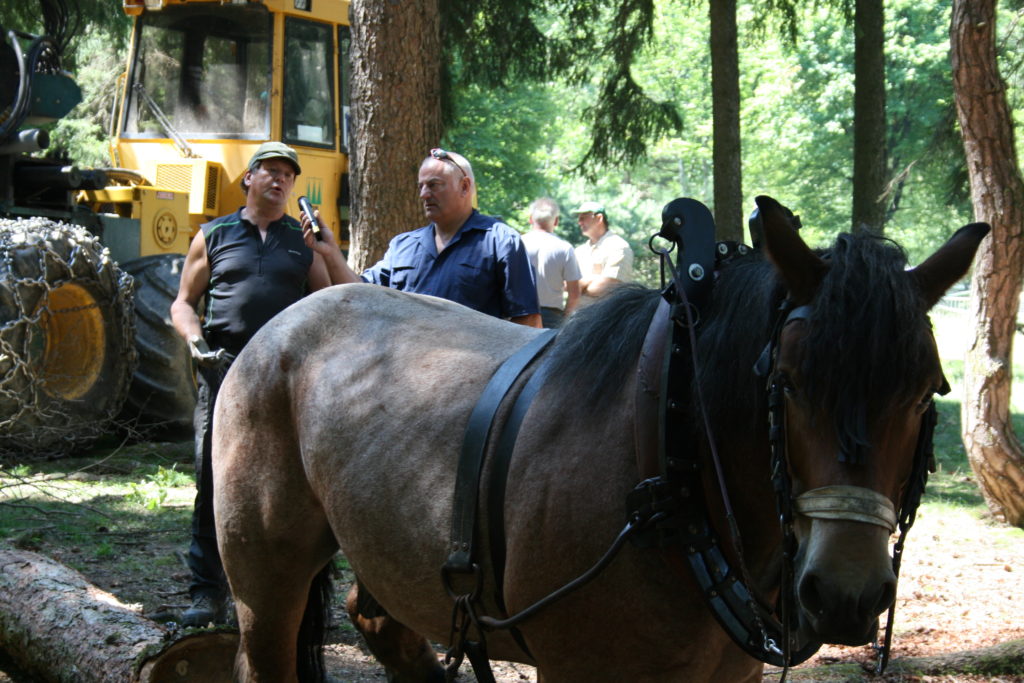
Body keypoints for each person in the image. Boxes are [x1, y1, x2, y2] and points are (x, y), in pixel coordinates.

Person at [170, 141, 338, 627]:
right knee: (213, 479)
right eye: (271, 171)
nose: (281, 180)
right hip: (221, 372)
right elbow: (183, 302)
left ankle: (296, 597)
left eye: (288, 174)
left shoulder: (299, 240)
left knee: (291, 484)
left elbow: (326, 302)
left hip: (284, 383)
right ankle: (207, 594)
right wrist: (195, 342)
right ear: (248, 178)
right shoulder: (214, 234)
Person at [310, 148, 541, 327]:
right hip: (406, 378)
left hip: (473, 381)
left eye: (434, 185)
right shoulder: (404, 245)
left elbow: (528, 322)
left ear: (464, 186)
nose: (423, 194)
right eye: (421, 186)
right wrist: (330, 251)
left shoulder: (499, 241)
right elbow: (360, 295)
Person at [521, 197, 581, 328]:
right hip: (552, 316)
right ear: (556, 221)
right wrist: (565, 319)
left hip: (521, 313)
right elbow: (575, 294)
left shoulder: (517, 244)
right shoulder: (565, 248)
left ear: (530, 219)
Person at [572, 201, 634, 300]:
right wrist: (593, 280)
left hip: (607, 315)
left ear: (599, 218)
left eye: (583, 217)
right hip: (575, 314)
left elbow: (609, 288)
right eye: (579, 218)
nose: (579, 222)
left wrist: (579, 285)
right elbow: (566, 285)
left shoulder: (618, 247)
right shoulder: (579, 251)